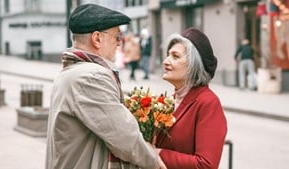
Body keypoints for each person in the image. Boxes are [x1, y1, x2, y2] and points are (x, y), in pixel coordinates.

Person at [45, 4, 166, 169]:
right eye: (117, 37)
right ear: (97, 39)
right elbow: (125, 137)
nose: (119, 43)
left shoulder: (72, 72)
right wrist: (153, 160)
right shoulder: (90, 77)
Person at [155, 28, 228, 169]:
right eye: (168, 55)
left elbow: (206, 165)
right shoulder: (169, 100)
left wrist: (158, 153)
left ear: (193, 65)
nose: (165, 61)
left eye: (175, 56)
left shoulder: (207, 102)